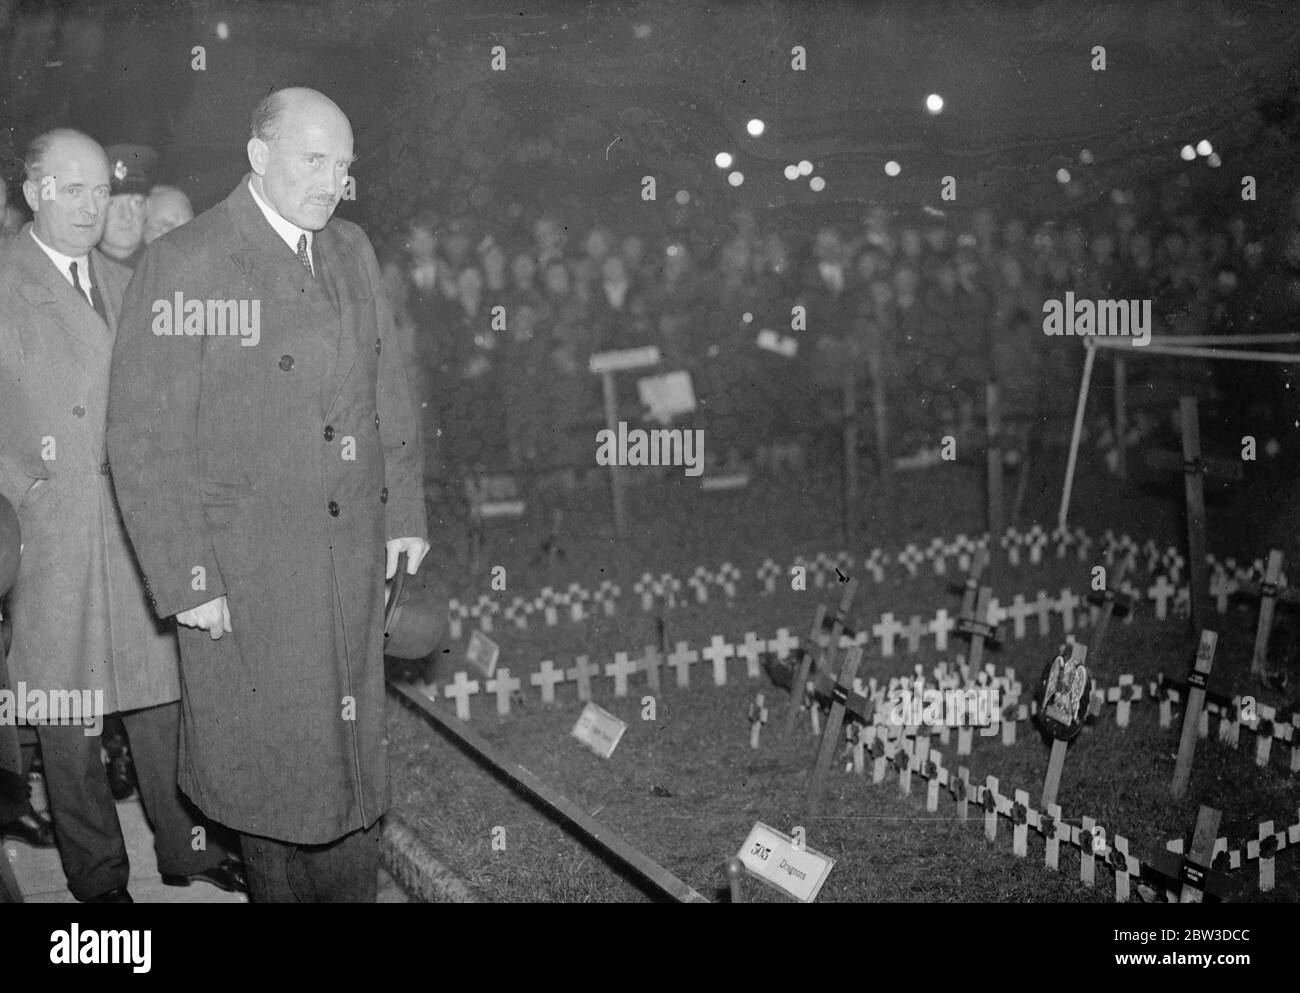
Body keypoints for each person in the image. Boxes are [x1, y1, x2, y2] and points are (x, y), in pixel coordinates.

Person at [106, 88, 429, 903]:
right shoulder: (186, 261)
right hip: (247, 575)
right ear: (258, 155)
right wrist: (189, 581)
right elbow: (144, 438)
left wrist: (406, 513)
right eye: (313, 160)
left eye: (344, 165)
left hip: (348, 555)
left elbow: (388, 383)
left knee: (351, 774)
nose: (332, 181)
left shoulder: (352, 249)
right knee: (274, 782)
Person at [0, 129, 244, 902]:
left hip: (136, 527)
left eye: (99, 191)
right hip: (50, 533)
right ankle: (99, 877)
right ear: (35, 192)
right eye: (71, 190)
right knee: (66, 718)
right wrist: (20, 495)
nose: (90, 205)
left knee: (158, 699)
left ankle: (185, 848)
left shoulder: (128, 277)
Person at [97, 143, 155, 268]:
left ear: (147, 207)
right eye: (112, 203)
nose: (127, 215)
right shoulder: (77, 273)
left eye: (136, 202)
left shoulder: (168, 268)